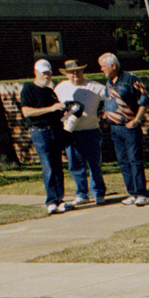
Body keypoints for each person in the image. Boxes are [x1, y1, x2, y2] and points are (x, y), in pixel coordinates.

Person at [97, 51, 149, 207]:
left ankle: (141, 193)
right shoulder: (109, 83)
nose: (101, 69)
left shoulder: (130, 79)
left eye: (103, 66)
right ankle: (132, 192)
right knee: (123, 161)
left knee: (135, 159)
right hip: (115, 129)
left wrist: (136, 120)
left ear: (113, 66)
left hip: (129, 127)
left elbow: (144, 101)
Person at [56, 59, 107, 207]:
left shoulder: (95, 87)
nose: (75, 74)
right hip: (71, 132)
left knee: (95, 164)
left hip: (91, 130)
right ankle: (82, 194)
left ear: (83, 72)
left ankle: (98, 193)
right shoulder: (60, 88)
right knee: (75, 164)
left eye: (78, 71)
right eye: (71, 72)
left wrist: (104, 114)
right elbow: (56, 108)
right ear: (66, 74)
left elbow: (112, 99)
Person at [19, 57, 66, 215]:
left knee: (58, 166)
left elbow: (56, 111)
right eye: (44, 73)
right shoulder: (28, 89)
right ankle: (51, 201)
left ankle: (60, 199)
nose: (47, 76)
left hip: (55, 130)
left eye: (49, 73)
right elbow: (27, 112)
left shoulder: (49, 91)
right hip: (40, 131)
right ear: (36, 72)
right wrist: (50, 109)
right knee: (48, 167)